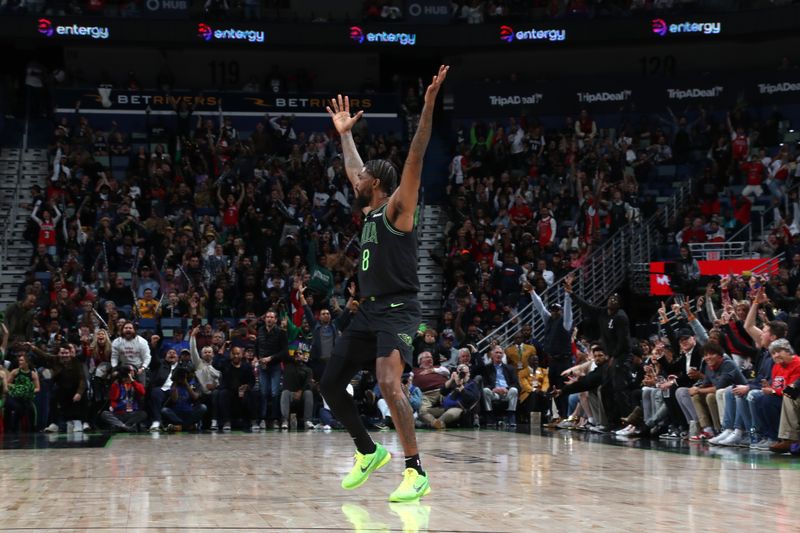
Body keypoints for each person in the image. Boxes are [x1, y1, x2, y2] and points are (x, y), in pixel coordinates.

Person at [319, 65, 448, 502]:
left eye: (360, 178)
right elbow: (355, 165)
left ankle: (415, 470)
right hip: (368, 310)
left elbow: (415, 156)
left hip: (399, 309)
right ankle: (368, 451)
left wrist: (428, 108)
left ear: (375, 183)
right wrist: (345, 135)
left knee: (388, 382)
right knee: (331, 383)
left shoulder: (397, 210)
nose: (353, 179)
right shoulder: (370, 210)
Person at [481, 345, 520, 427]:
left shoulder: (510, 368)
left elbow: (516, 383)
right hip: (494, 393)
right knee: (485, 390)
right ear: (492, 355)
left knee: (514, 390)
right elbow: (485, 383)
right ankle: (489, 415)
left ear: (503, 355)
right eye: (496, 352)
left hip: (506, 392)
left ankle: (511, 415)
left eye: (500, 353)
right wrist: (494, 389)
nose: (498, 355)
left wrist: (506, 388)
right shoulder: (487, 368)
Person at [100, 364, 146, 432]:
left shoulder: (136, 383)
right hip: (119, 413)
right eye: (130, 371)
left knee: (143, 414)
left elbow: (142, 392)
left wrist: (132, 381)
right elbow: (113, 399)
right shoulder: (116, 384)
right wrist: (119, 382)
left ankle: (121, 426)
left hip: (132, 413)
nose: (132, 373)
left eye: (133, 371)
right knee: (104, 414)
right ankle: (125, 427)